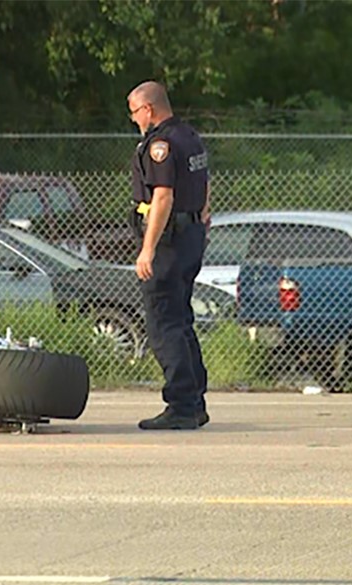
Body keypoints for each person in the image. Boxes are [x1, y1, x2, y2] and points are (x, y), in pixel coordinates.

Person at [126, 81, 210, 430]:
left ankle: (180, 405)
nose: (133, 120)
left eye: (134, 112)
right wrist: (203, 220)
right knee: (182, 320)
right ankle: (195, 401)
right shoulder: (189, 137)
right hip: (189, 236)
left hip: (169, 241)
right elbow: (205, 183)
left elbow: (162, 197)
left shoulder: (160, 144)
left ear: (148, 109)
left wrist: (147, 248)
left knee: (164, 324)